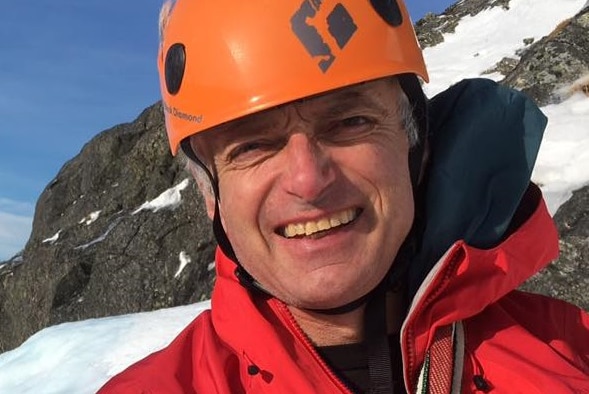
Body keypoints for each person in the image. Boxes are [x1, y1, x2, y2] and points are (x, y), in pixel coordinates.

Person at [99, 0, 589, 392]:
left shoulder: (571, 353)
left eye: (350, 122)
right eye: (252, 145)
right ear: (212, 197)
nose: (308, 181)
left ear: (415, 146)